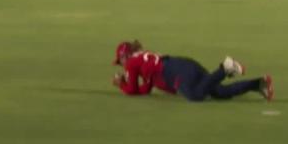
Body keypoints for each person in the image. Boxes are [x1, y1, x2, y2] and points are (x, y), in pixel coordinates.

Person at [112, 40, 274, 102]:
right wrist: (130, 85)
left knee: (195, 96)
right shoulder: (143, 60)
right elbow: (145, 89)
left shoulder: (132, 63)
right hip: (184, 65)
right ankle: (258, 84)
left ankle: (225, 68)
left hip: (174, 73)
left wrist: (121, 84)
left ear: (125, 56)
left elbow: (132, 90)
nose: (122, 65)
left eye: (120, 61)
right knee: (220, 92)